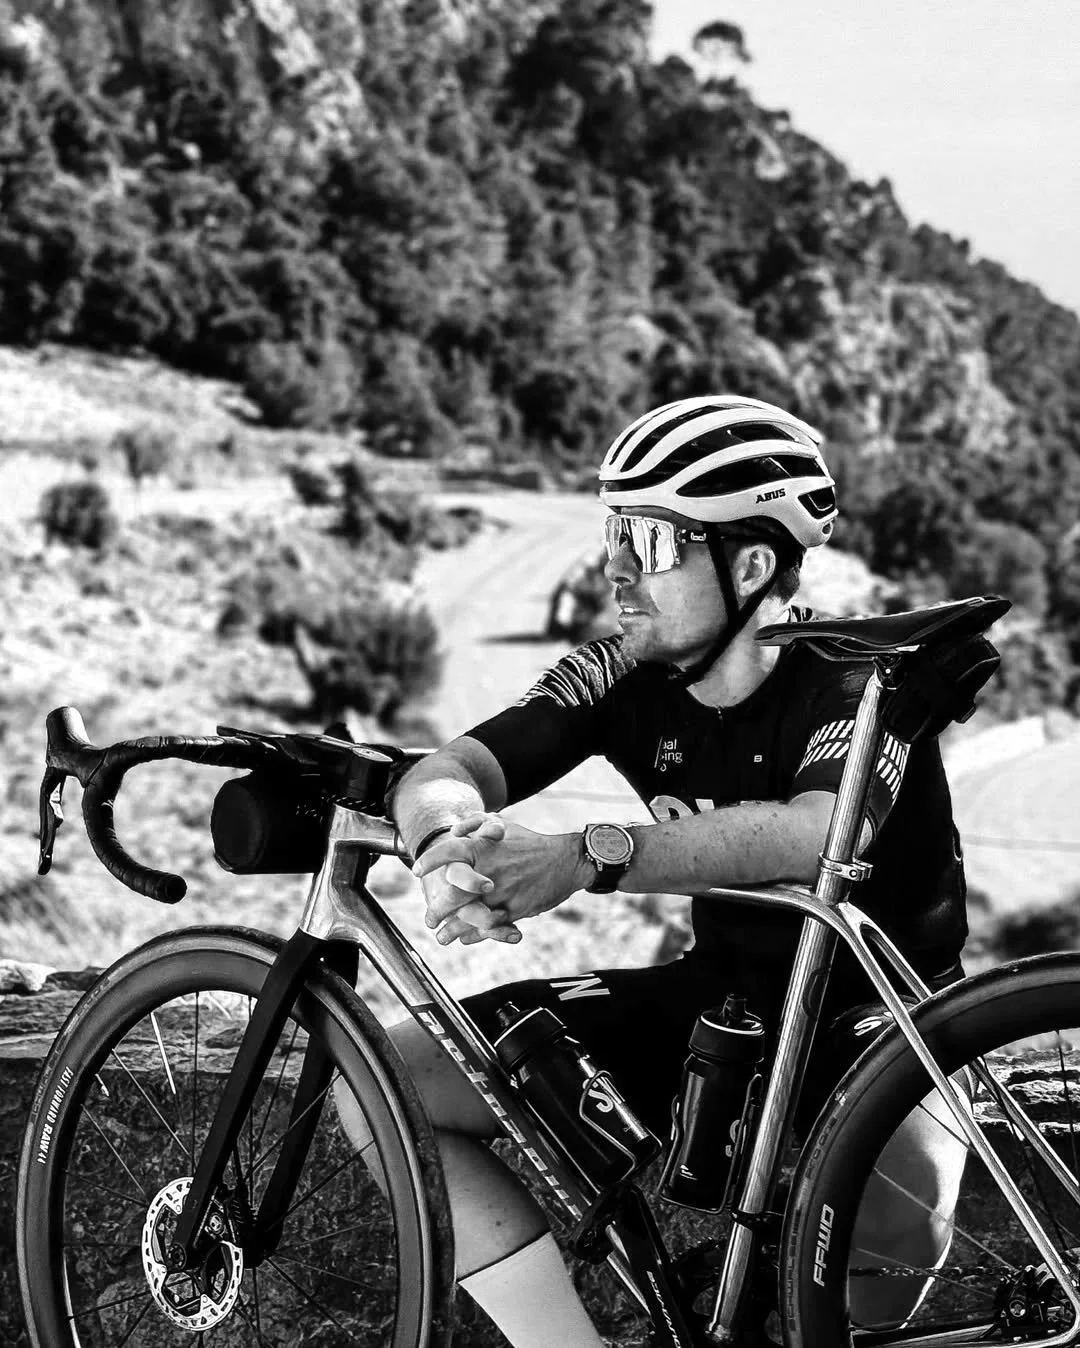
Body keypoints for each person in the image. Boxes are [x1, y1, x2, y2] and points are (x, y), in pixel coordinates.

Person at [335, 395, 970, 1345]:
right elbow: (447, 770)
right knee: (380, 1079)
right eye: (615, 533)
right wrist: (445, 847)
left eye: (656, 541)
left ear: (752, 565)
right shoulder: (623, 670)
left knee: (882, 1250)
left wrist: (587, 856)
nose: (621, 569)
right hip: (723, 1006)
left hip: (879, 1022)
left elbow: (809, 834)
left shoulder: (855, 681)